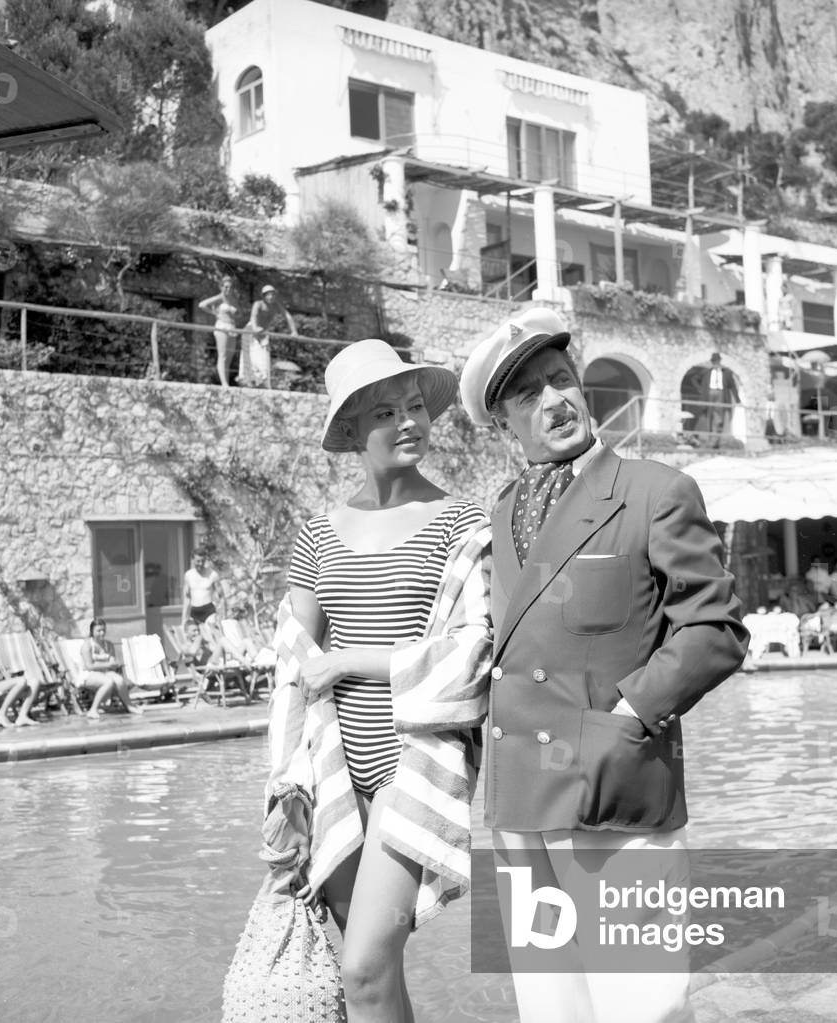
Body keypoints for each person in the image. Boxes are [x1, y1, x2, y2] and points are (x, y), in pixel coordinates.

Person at [459, 308, 748, 1023]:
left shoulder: (656, 490)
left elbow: (715, 628)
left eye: (562, 380)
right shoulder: (500, 512)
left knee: (642, 1005)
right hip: (521, 802)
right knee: (551, 1009)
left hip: (613, 791)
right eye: (528, 395)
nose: (554, 400)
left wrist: (629, 714)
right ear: (502, 424)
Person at [279, 338, 490, 1022]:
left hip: (416, 764)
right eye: (385, 412)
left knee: (363, 968)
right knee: (379, 973)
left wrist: (349, 660)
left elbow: (471, 653)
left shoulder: (461, 523)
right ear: (351, 430)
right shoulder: (317, 534)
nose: (409, 422)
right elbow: (293, 668)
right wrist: (284, 796)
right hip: (336, 772)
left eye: (415, 406)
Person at [80, 619, 142, 718]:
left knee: (120, 680)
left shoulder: (108, 645)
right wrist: (107, 665)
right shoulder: (87, 646)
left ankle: (129, 706)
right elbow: (89, 666)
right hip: (89, 674)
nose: (102, 633)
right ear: (92, 631)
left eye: (104, 630)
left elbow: (112, 662)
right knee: (108, 682)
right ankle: (93, 709)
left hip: (106, 672)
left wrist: (108, 665)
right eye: (99, 631)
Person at [240, 284, 296, 387]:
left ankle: (264, 384)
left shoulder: (276, 305)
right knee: (250, 360)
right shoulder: (258, 304)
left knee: (263, 360)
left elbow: (287, 316)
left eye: (272, 294)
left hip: (263, 333)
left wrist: (294, 331)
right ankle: (250, 383)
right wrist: (255, 328)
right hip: (251, 331)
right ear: (264, 296)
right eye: (268, 295)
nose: (270, 297)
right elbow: (253, 316)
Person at [198, 274, 242, 388]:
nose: (228, 289)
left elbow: (240, 313)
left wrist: (236, 314)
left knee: (229, 357)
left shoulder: (234, 300)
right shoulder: (219, 298)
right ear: (221, 287)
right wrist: (215, 313)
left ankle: (225, 382)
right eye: (226, 287)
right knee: (222, 355)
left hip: (232, 327)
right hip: (222, 326)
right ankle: (224, 383)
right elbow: (202, 305)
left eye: (230, 287)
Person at [699, 351, 741, 447]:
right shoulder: (707, 373)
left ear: (719, 362)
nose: (716, 363)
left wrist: (737, 400)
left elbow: (732, 386)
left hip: (721, 394)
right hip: (710, 394)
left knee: (719, 417)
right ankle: (711, 438)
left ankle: (717, 439)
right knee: (710, 416)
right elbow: (699, 382)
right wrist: (701, 395)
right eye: (714, 361)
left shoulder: (726, 373)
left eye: (717, 361)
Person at [182, 551, 226, 626]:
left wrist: (223, 616)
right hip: (194, 611)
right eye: (198, 561)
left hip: (208, 610)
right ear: (192, 560)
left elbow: (221, 597)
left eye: (203, 561)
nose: (201, 563)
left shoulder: (213, 574)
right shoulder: (188, 575)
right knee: (196, 635)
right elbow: (187, 599)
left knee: (211, 633)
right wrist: (184, 619)